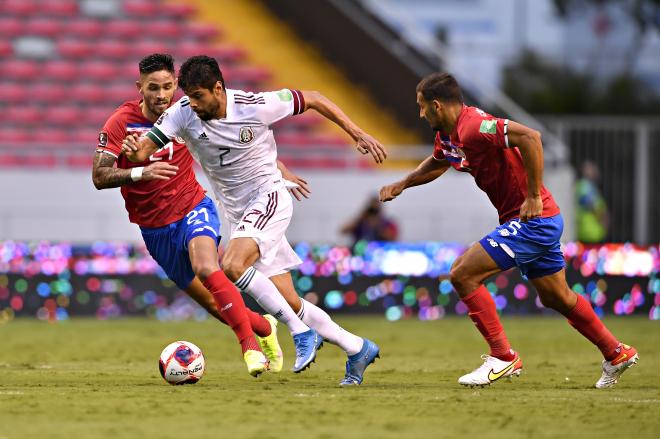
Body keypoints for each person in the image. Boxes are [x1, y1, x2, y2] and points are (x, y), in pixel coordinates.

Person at [123, 55, 384, 385]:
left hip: (269, 198)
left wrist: (356, 132)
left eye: (199, 97)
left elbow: (315, 98)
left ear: (218, 89)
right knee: (289, 300)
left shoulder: (256, 105)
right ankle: (357, 348)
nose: (193, 104)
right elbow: (143, 151)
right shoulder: (183, 113)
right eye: (188, 97)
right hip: (239, 214)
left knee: (231, 265)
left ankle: (301, 333)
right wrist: (134, 153)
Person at [379, 72, 638, 388]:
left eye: (422, 107)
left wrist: (532, 195)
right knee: (557, 297)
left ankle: (502, 357)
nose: (420, 114)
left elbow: (530, 137)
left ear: (436, 105)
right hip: (531, 221)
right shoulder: (449, 135)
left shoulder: (475, 126)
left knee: (462, 273)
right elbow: (437, 162)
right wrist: (402, 184)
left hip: (533, 220)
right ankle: (615, 352)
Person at [92, 53, 282, 377]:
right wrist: (139, 172)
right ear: (139, 88)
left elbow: (240, 142)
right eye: (153, 88)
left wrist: (275, 170)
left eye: (167, 86)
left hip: (193, 206)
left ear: (176, 85)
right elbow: (99, 176)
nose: (161, 95)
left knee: (207, 266)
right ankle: (266, 329)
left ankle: (249, 347)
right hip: (155, 229)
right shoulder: (120, 123)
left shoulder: (188, 113)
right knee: (212, 303)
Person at [575, 160, 609, 243]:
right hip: (589, 232)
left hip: (592, 231)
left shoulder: (588, 186)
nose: (595, 170)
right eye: (591, 168)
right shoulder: (585, 186)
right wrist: (603, 218)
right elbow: (591, 205)